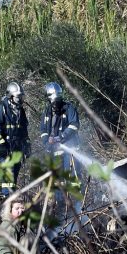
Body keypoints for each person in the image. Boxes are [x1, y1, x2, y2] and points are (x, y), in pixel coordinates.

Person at [39, 82, 83, 220]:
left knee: (73, 179)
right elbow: (43, 131)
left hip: (70, 151)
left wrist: (61, 136)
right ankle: (60, 210)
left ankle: (77, 208)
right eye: (53, 102)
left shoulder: (69, 108)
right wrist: (47, 142)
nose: (55, 105)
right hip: (55, 153)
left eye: (57, 102)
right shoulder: (47, 112)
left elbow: (75, 125)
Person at [0, 81, 31, 196]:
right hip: (5, 149)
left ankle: (11, 199)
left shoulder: (20, 110)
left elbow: (24, 130)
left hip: (17, 148)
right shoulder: (1, 108)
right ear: (10, 96)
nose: (20, 99)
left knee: (14, 176)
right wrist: (1, 144)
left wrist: (27, 144)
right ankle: (5, 199)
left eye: (21, 96)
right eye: (18, 96)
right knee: (7, 177)